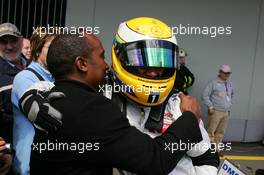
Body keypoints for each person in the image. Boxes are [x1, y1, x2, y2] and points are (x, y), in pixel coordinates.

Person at [19, 17, 219, 175]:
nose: (154, 70)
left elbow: (206, 157)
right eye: (144, 60)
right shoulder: (101, 98)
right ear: (120, 57)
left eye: (161, 61)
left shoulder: (180, 106)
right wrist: (30, 95)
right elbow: (57, 88)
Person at [11, 27, 58, 175]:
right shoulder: (24, 78)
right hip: (29, 167)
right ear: (37, 50)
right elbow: (48, 116)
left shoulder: (57, 77)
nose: (58, 52)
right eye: (52, 47)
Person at [0, 22, 29, 145]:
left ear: (22, 41)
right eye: (3, 42)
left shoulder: (34, 67)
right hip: (9, 149)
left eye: (13, 40)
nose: (9, 46)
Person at [202, 64, 234, 153]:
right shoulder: (213, 83)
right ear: (220, 72)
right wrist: (210, 106)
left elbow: (232, 95)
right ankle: (208, 151)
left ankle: (216, 150)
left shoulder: (229, 84)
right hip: (215, 111)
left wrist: (229, 105)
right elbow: (205, 95)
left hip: (225, 112)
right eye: (225, 73)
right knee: (210, 132)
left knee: (221, 132)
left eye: (229, 73)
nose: (227, 75)